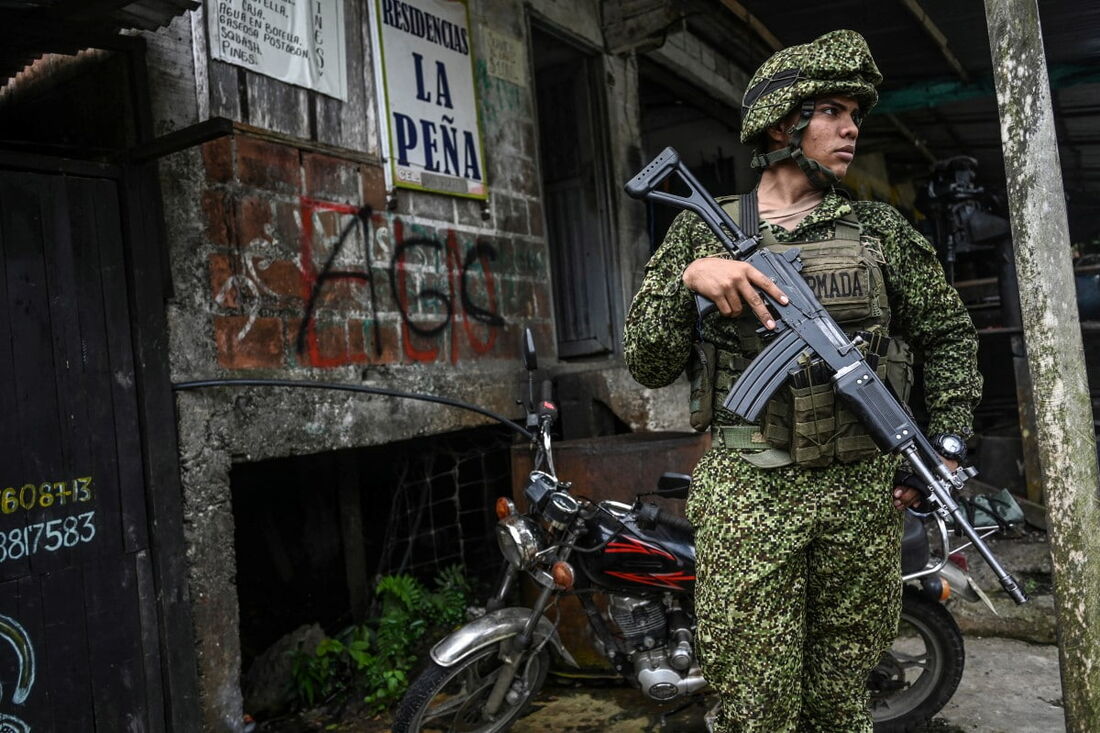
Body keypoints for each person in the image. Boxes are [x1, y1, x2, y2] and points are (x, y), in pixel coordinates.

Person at [623, 29, 982, 732]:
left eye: (856, 115)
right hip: (752, 493)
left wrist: (944, 444)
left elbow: (948, 336)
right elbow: (648, 361)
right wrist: (689, 282)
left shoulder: (880, 230)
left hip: (859, 499)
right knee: (756, 707)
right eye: (833, 111)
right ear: (783, 121)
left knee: (843, 701)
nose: (851, 128)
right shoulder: (703, 232)